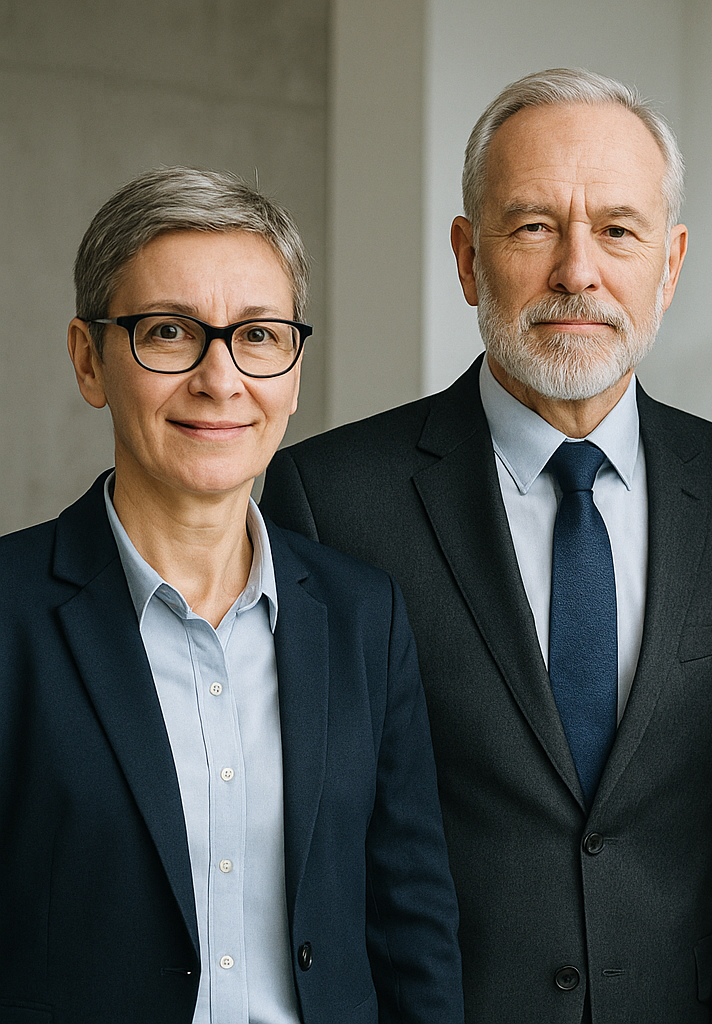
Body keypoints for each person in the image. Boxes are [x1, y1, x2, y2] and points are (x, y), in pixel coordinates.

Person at [259, 68, 712, 1023]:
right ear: (468, 258)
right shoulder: (330, 500)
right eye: (533, 226)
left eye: (618, 232)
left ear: (669, 265)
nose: (577, 272)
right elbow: (309, 849)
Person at [0, 167, 463, 1023]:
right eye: (169, 332)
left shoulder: (365, 617)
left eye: (257, 336)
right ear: (87, 359)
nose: (221, 380)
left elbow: (412, 929)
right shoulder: (10, 616)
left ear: (291, 369)